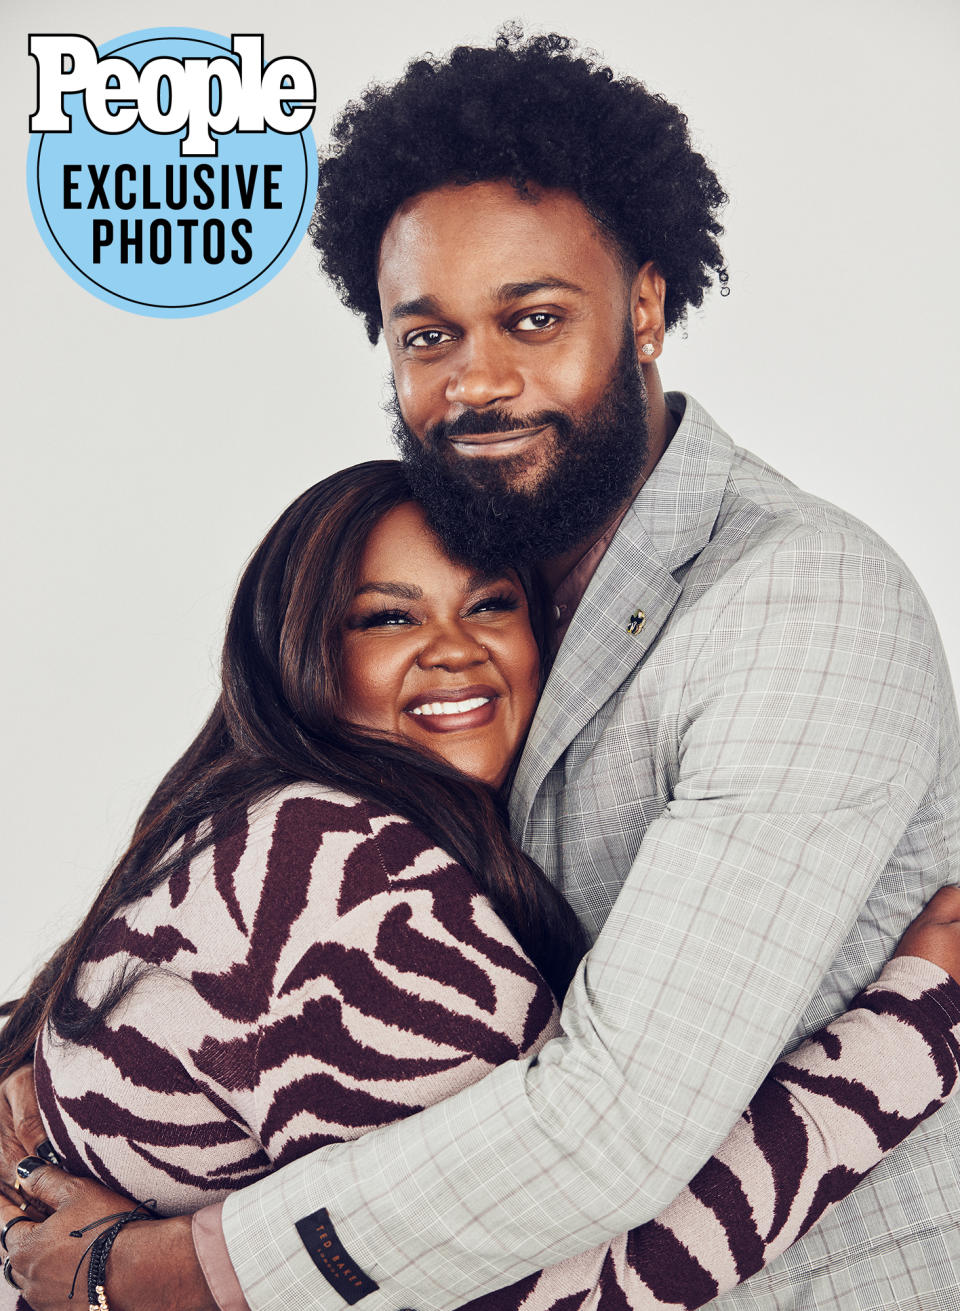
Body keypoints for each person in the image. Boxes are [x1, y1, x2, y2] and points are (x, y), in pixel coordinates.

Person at [3, 26, 959, 1311]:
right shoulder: (498, 598)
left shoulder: (792, 600)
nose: (479, 382)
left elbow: (610, 1125)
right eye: (427, 336)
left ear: (648, 308)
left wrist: (166, 1272)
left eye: (535, 319)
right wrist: (52, 1056)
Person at [1, 461, 960, 1311]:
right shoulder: (343, 869)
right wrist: (910, 1035)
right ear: (301, 655)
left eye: (491, 603)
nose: (455, 646)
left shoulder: (258, 826)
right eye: (388, 615)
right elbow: (551, 1287)